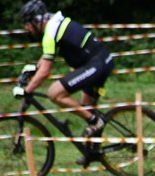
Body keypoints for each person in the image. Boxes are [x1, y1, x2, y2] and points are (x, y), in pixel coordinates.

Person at [19, 0, 114, 139]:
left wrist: (27, 90)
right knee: (87, 107)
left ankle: (95, 121)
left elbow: (45, 71)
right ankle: (94, 153)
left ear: (36, 21)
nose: (27, 29)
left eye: (27, 24)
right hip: (101, 61)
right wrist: (33, 69)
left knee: (54, 93)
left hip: (96, 64)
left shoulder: (50, 32)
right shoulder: (54, 25)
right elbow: (46, 58)